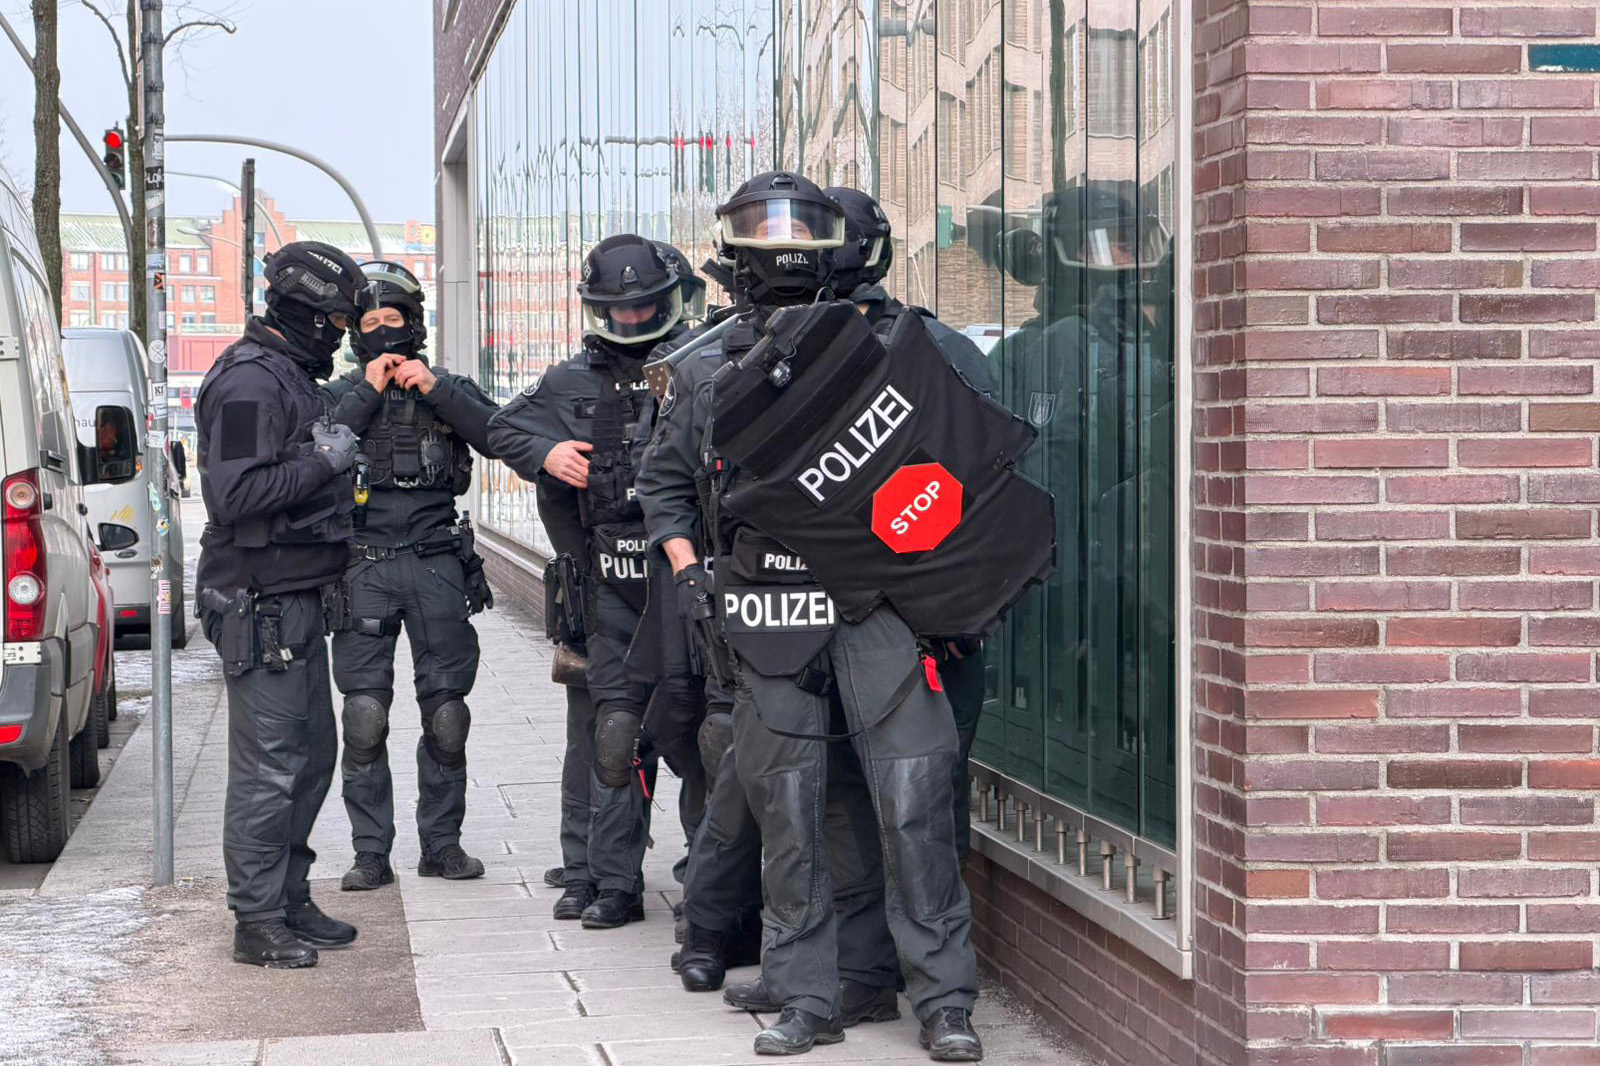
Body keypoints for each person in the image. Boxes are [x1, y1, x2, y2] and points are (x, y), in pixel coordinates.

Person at [635, 172, 983, 1060]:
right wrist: (692, 576)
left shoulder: (895, 348)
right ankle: (806, 995)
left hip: (882, 608)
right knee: (790, 812)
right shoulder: (706, 367)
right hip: (767, 611)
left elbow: (958, 468)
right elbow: (665, 487)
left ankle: (944, 1001)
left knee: (913, 800)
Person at [487, 234, 690, 929]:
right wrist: (546, 451)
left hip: (686, 584)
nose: (632, 323)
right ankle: (599, 875)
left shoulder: (702, 363)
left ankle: (714, 881)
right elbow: (499, 427)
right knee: (607, 737)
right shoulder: (569, 380)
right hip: (603, 589)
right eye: (618, 312)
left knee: (703, 735)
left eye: (644, 310)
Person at [196, 240, 364, 969]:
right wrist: (319, 463)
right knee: (268, 769)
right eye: (336, 319)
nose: (342, 333)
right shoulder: (248, 383)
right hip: (256, 601)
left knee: (311, 757)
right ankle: (256, 920)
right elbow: (231, 496)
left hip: (295, 597)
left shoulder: (289, 375)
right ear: (309, 314)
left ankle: (289, 895)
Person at [321, 260, 501, 890]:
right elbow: (319, 452)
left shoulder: (448, 388)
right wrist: (366, 393)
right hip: (362, 569)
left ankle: (442, 846)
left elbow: (499, 436)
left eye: (392, 321)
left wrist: (436, 391)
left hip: (436, 565)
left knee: (447, 714)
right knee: (364, 718)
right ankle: (371, 853)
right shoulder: (339, 395)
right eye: (370, 324)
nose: (383, 334)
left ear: (414, 324)